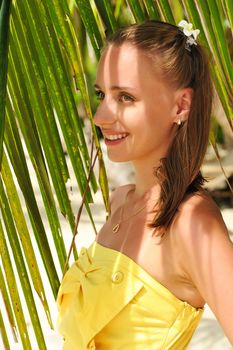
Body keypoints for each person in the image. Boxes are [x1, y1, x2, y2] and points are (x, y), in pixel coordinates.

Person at [56, 20, 233, 349]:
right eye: (101, 95)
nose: (100, 116)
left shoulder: (191, 222)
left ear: (180, 106)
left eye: (125, 97)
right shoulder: (123, 200)